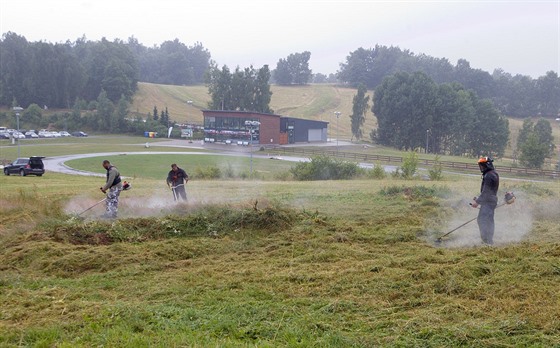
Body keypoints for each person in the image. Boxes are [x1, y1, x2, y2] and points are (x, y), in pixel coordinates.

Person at [471, 156, 499, 245]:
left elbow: (486, 192)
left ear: (487, 165)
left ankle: (487, 241)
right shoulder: (492, 173)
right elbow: (487, 191)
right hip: (490, 201)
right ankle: (488, 241)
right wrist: (479, 199)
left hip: (488, 202)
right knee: (488, 220)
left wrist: (477, 202)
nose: (481, 168)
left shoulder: (489, 175)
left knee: (483, 220)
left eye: (482, 166)